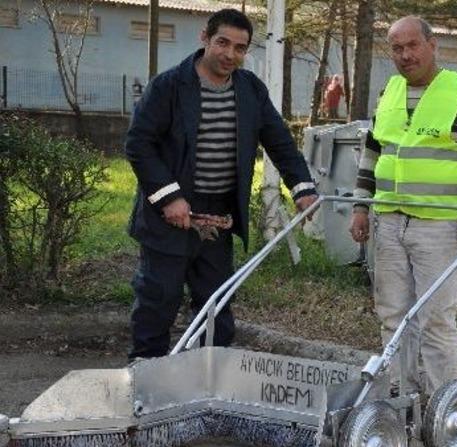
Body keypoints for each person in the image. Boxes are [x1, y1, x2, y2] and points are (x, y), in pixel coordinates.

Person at [125, 8, 317, 360]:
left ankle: (209, 379)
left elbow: (280, 142)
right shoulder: (167, 86)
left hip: (218, 219)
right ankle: (144, 378)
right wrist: (170, 199)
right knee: (158, 299)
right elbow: (139, 144)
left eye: (240, 48)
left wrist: (303, 189)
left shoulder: (250, 90)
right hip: (169, 215)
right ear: (205, 39)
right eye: (223, 43)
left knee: (216, 303)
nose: (230, 54)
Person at [348, 16, 457, 396]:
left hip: (438, 224)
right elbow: (373, 153)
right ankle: (400, 396)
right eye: (396, 48)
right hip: (389, 221)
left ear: (433, 46)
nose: (404, 55)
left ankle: (442, 404)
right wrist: (360, 206)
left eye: (412, 45)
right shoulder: (389, 93)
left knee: (435, 318)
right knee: (393, 315)